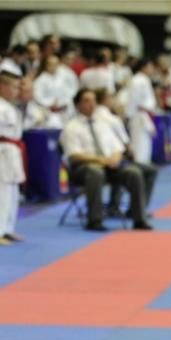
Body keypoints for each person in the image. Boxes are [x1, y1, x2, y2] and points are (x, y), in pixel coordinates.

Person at [60, 88, 154, 232]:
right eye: (86, 101)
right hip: (83, 168)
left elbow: (117, 147)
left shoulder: (103, 124)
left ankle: (139, 219)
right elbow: (74, 155)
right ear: (77, 105)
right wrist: (101, 160)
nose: (91, 104)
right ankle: (94, 219)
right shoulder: (71, 127)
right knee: (95, 171)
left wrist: (116, 158)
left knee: (133, 172)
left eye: (93, 101)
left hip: (109, 166)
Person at [0, 62, 24, 245]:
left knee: (13, 191)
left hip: (12, 150)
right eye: (14, 87)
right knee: (2, 192)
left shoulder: (10, 107)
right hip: (2, 150)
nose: (17, 91)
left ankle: (8, 228)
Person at [125, 58, 158, 165]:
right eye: (150, 67)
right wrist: (129, 115)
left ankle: (144, 166)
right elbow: (133, 100)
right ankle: (139, 166)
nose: (152, 69)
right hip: (139, 115)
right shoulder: (137, 80)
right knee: (139, 144)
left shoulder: (144, 79)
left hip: (144, 114)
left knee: (145, 144)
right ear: (144, 67)